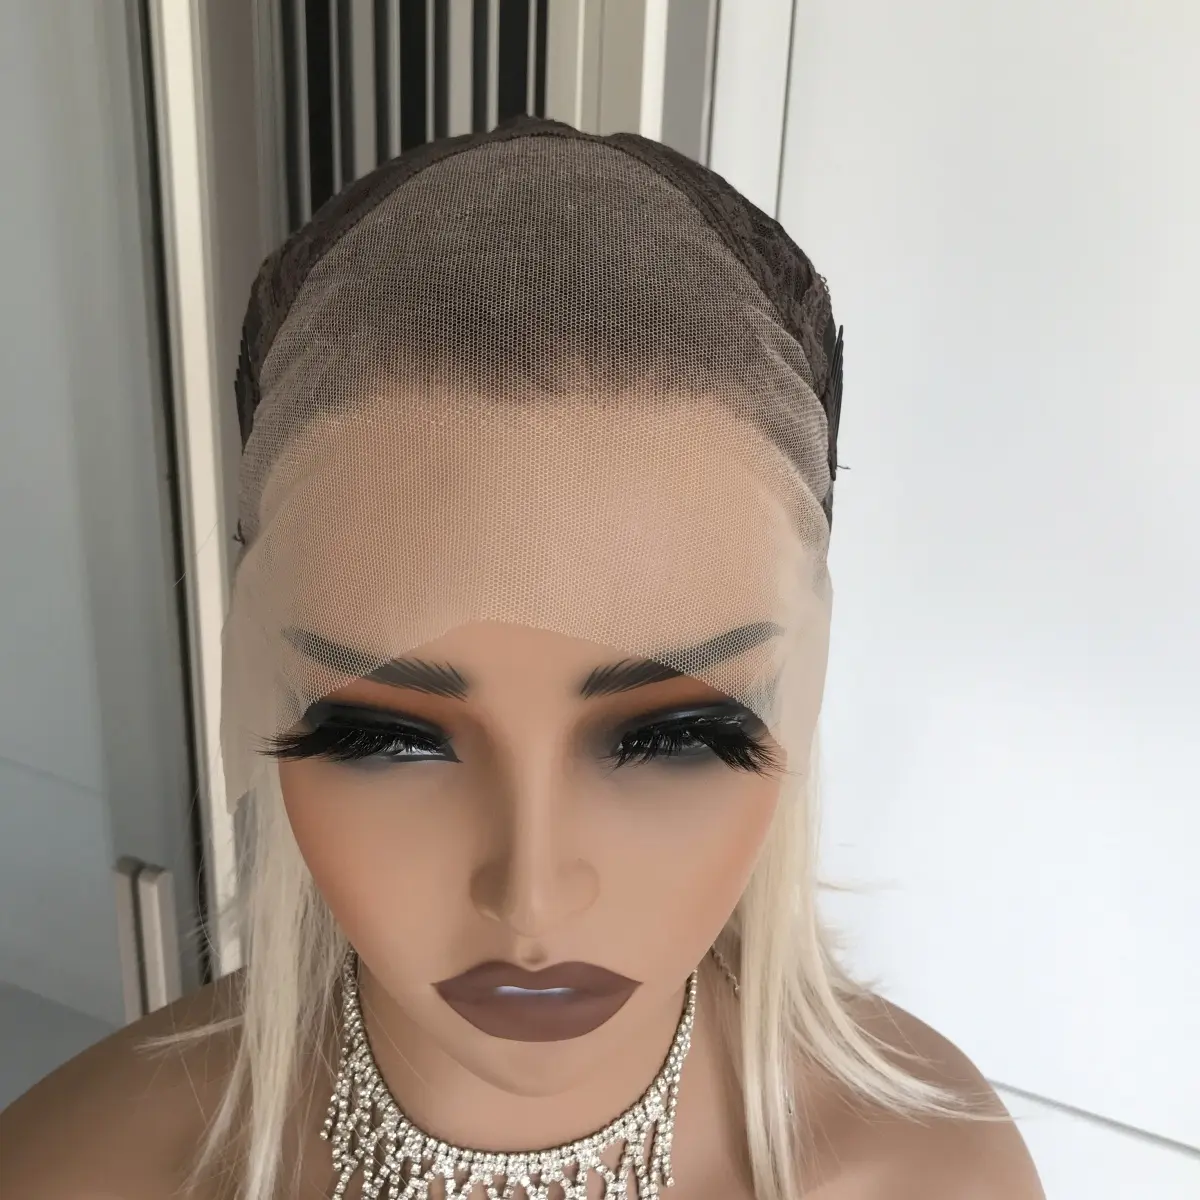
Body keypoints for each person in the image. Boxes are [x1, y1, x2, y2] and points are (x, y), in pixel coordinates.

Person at [0, 115, 1044, 1200]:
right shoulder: (66, 1174)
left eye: (675, 737)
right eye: (387, 739)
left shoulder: (932, 1174)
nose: (532, 896)